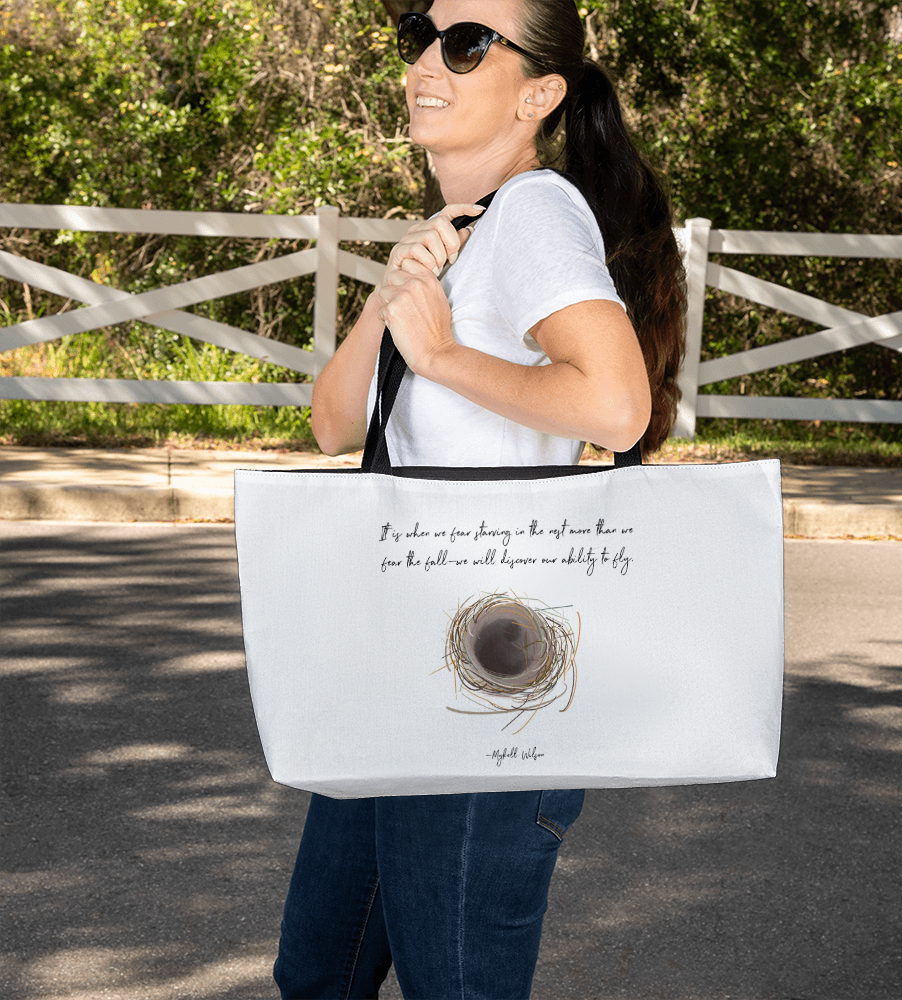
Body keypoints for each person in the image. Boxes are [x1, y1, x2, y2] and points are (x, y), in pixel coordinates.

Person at [274, 2, 684, 997]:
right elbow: (333, 424)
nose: (427, 60)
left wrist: (446, 356)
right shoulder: (465, 232)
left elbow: (616, 406)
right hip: (399, 658)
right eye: (419, 32)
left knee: (454, 983)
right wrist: (396, 292)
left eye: (465, 44)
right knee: (318, 970)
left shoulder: (536, 212)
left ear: (539, 94)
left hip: (487, 672)